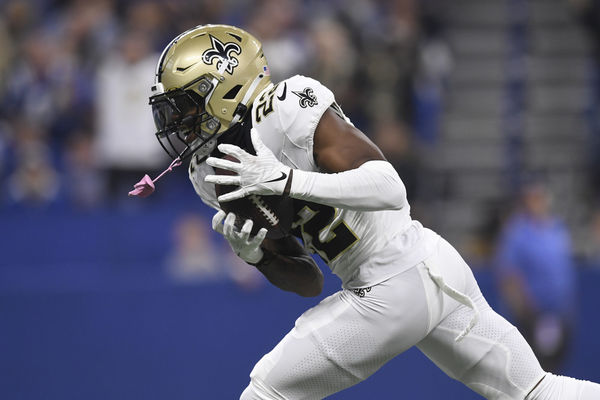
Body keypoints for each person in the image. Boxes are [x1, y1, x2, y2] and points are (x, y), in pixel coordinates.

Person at [137, 24, 600, 399]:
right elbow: (308, 280)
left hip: (390, 281)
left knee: (266, 392)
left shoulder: (286, 106)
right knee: (538, 392)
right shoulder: (213, 171)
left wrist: (286, 180)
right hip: (424, 269)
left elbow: (390, 187)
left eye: (185, 105)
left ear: (226, 84)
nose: (177, 122)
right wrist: (256, 255)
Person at [494, 181, 577, 373]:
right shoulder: (517, 232)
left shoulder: (557, 228)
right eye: (532, 198)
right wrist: (524, 311)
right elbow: (508, 274)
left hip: (560, 315)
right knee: (535, 371)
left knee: (556, 369)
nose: (537, 203)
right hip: (533, 316)